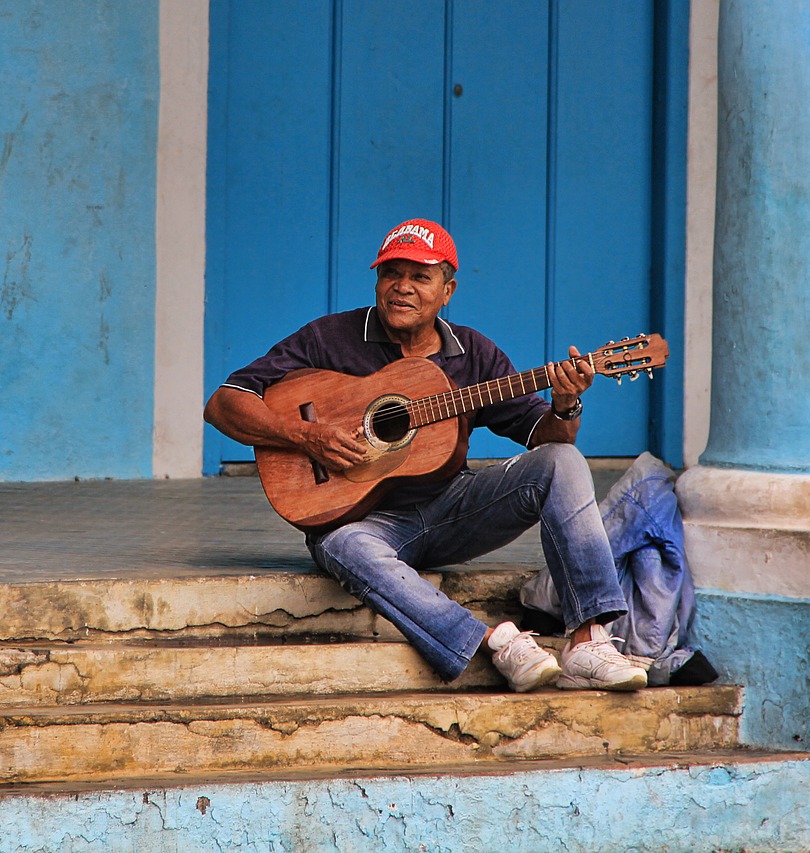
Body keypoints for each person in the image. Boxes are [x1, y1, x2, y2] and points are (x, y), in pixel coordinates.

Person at [204, 218, 648, 693]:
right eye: (391, 273)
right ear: (377, 281)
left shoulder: (473, 353)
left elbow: (545, 435)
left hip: (453, 510)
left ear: (447, 290)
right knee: (339, 545)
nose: (402, 287)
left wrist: (566, 403)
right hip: (362, 521)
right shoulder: (328, 338)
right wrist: (305, 435)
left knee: (563, 461)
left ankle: (588, 641)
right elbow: (225, 402)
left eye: (420, 276)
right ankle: (494, 641)